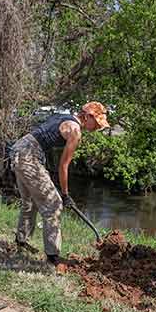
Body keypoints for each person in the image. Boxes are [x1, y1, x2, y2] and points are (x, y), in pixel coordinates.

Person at [11, 102, 109, 265]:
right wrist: (65, 194)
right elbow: (63, 165)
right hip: (28, 156)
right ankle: (53, 256)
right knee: (54, 204)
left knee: (30, 202)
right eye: (97, 123)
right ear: (88, 116)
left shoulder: (65, 117)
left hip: (19, 150)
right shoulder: (75, 131)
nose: (97, 128)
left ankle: (22, 241)